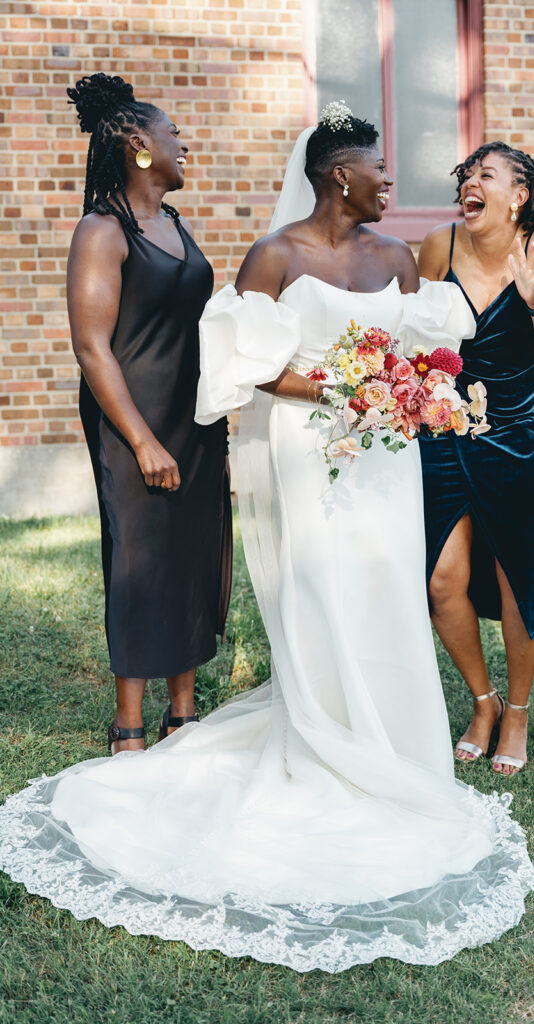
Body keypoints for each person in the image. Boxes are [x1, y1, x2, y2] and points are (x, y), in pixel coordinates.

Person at [0, 104, 534, 973]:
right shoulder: (276, 256)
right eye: (376, 166)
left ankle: (392, 743)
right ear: (337, 177)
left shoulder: (397, 257)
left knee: (383, 591)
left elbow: (436, 344)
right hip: (312, 446)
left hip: (386, 454)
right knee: (320, 588)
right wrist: (341, 384)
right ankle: (315, 729)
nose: (389, 180)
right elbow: (242, 365)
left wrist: (406, 385)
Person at [63, 74, 231, 753]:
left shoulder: (175, 224)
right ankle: (128, 721)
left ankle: (183, 711)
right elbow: (91, 346)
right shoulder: (103, 230)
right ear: (138, 146)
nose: (183, 145)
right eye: (173, 137)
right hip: (133, 419)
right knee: (138, 557)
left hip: (192, 418)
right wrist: (142, 442)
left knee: (189, 551)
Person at [418, 142, 534, 775]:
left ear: (520, 196)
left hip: (521, 437)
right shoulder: (438, 247)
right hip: (446, 434)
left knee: (517, 585)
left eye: (488, 176)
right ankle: (481, 701)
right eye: (467, 176)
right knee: (441, 581)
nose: (470, 185)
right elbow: (420, 339)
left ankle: (517, 712)